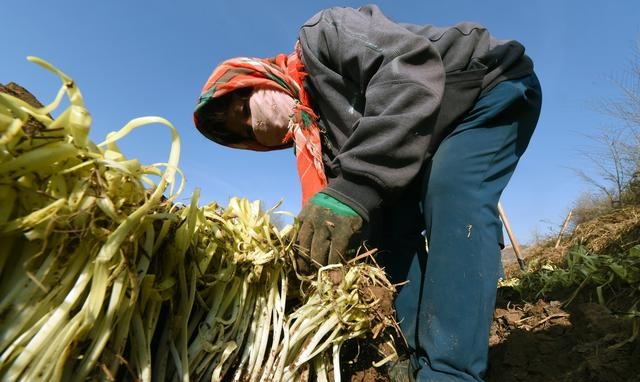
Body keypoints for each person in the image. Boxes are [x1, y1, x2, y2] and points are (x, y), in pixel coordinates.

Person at [193, 5, 542, 381]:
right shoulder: (319, 141)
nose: (255, 124)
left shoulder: (323, 34)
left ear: (255, 76)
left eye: (245, 107)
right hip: (426, 135)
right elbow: (362, 206)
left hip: (484, 86)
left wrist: (356, 188)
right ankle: (413, 353)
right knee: (382, 233)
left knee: (450, 191)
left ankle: (449, 369)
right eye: (245, 130)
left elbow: (410, 68)